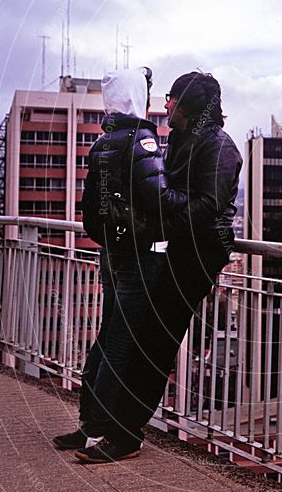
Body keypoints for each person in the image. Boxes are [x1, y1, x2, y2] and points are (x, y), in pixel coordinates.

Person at [103, 71, 242, 459]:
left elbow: (206, 207)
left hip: (197, 253)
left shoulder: (219, 147)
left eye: (172, 99)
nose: (165, 105)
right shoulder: (187, 138)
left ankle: (125, 435)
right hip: (178, 247)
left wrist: (160, 208)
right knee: (148, 338)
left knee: (155, 342)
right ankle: (115, 427)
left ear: (189, 106)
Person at [52, 67, 186, 461]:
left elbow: (91, 209)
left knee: (106, 336)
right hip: (139, 255)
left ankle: (88, 424)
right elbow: (160, 200)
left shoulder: (102, 143)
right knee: (122, 344)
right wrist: (193, 208)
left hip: (110, 251)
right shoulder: (140, 141)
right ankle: (105, 430)